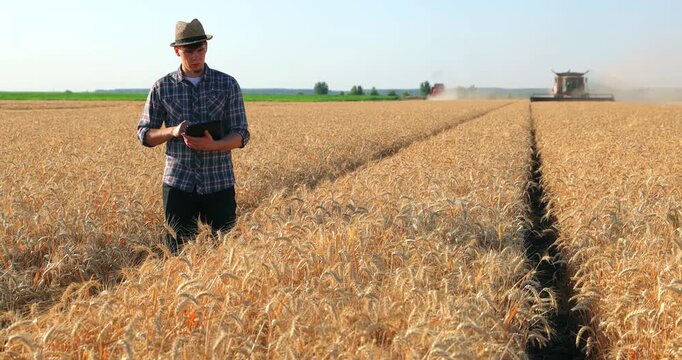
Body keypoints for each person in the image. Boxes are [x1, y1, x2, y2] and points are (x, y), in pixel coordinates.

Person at [137, 19, 250, 254]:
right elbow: (144, 134)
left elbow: (241, 135)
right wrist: (172, 131)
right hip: (178, 186)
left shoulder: (227, 84)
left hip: (218, 183)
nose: (196, 56)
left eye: (200, 50)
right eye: (189, 51)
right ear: (176, 51)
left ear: (206, 48)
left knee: (225, 255)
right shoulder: (162, 87)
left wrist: (213, 145)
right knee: (177, 257)